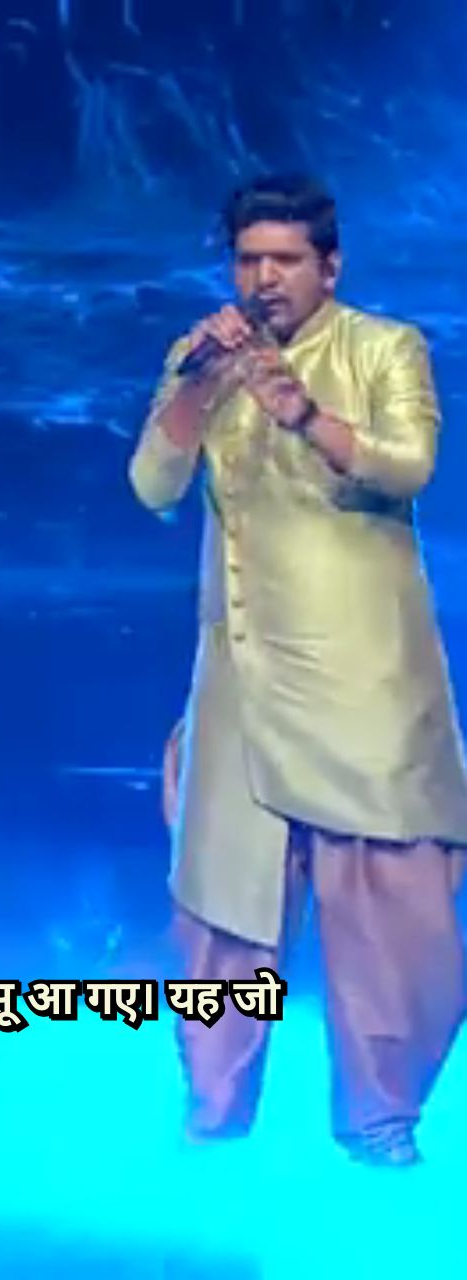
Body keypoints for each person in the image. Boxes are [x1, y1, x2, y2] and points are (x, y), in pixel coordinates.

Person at [128, 174, 467, 1167]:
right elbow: (150, 484)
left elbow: (410, 465)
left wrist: (305, 414)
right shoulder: (200, 355)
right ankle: (214, 1124)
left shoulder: (384, 347)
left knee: (392, 913)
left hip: (363, 679)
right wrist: (198, 386)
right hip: (240, 678)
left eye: (285, 259)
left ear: (331, 265)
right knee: (222, 907)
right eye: (248, 259)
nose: (264, 278)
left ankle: (381, 1124)